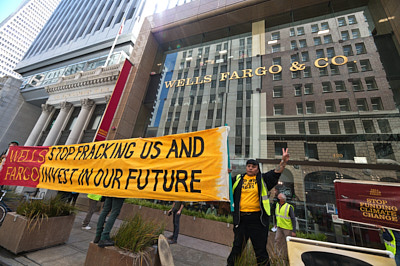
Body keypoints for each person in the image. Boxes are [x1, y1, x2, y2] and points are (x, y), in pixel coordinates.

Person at [227, 148, 290, 266]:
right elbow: (224, 184)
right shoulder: (238, 179)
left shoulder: (263, 179)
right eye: (248, 166)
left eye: (253, 166)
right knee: (236, 249)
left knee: (260, 251)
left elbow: (277, 172)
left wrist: (283, 162)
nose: (250, 168)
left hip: (258, 220)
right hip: (241, 220)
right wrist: (226, 173)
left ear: (257, 168)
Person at [274, 193, 296, 259]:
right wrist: (275, 223)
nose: (277, 199)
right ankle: (277, 255)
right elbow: (277, 215)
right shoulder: (277, 205)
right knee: (277, 240)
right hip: (279, 227)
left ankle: (289, 256)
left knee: (288, 243)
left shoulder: (288, 207)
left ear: (282, 199)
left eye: (278, 198)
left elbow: (293, 219)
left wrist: (293, 231)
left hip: (287, 228)